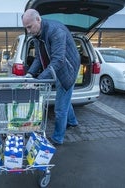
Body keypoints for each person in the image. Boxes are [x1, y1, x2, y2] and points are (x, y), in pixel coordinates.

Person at [22, 9, 80, 145]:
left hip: (67, 68)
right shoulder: (37, 34)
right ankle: (72, 121)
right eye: (26, 28)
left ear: (38, 19)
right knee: (65, 98)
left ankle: (57, 138)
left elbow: (58, 60)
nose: (29, 31)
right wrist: (30, 74)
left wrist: (38, 81)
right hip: (55, 68)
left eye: (29, 27)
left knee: (60, 108)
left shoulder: (55, 31)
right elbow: (38, 57)